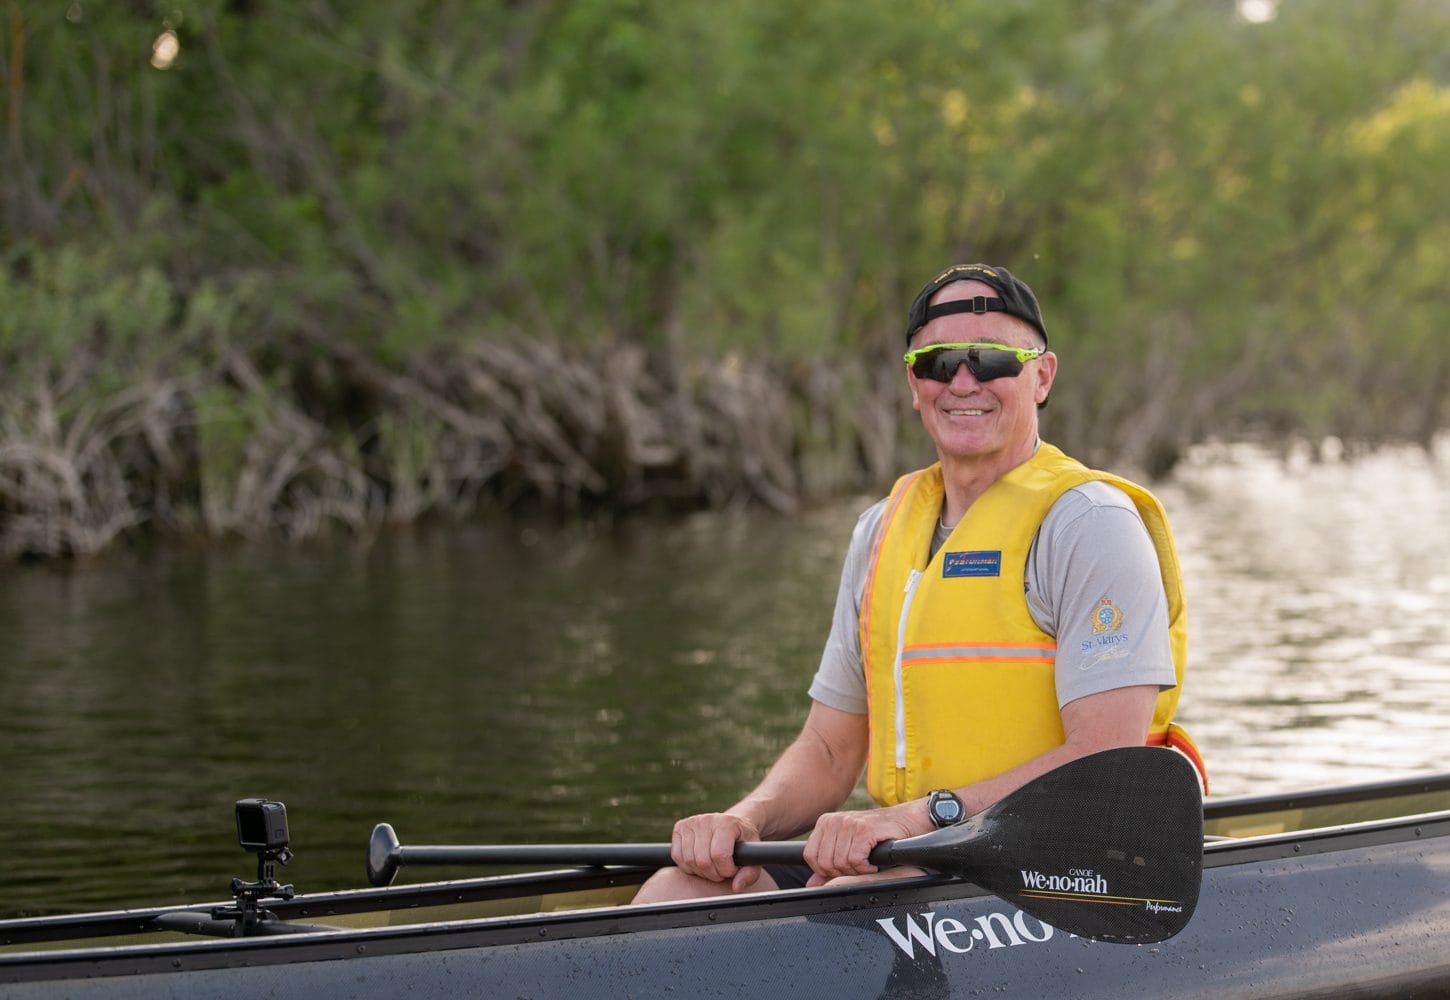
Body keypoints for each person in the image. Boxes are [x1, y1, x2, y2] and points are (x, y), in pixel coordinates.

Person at [633, 263, 1204, 903]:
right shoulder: (880, 530)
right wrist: (746, 820)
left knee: (866, 895)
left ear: (1040, 377)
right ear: (914, 382)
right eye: (938, 362)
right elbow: (828, 749)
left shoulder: (1091, 524)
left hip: (1061, 855)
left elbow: (1105, 760)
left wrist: (915, 818)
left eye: (991, 360)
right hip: (913, 849)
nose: (964, 381)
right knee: (674, 890)